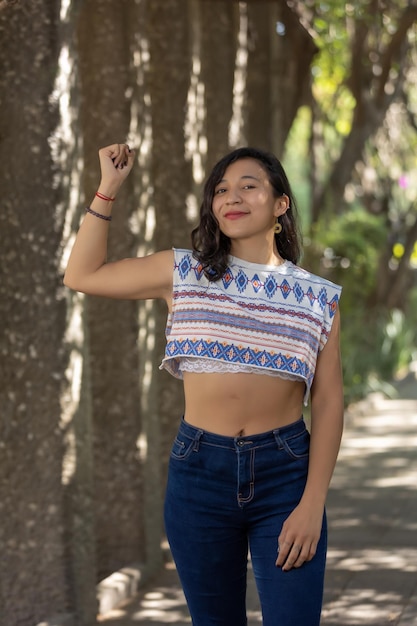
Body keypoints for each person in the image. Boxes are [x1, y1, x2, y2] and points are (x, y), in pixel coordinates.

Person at [64, 143, 344, 626]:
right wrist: (108, 190)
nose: (231, 197)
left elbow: (329, 400)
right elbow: (81, 274)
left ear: (280, 204)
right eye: (221, 190)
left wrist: (312, 502)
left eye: (248, 186)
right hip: (199, 475)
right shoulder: (184, 272)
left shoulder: (317, 297)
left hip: (285, 476)